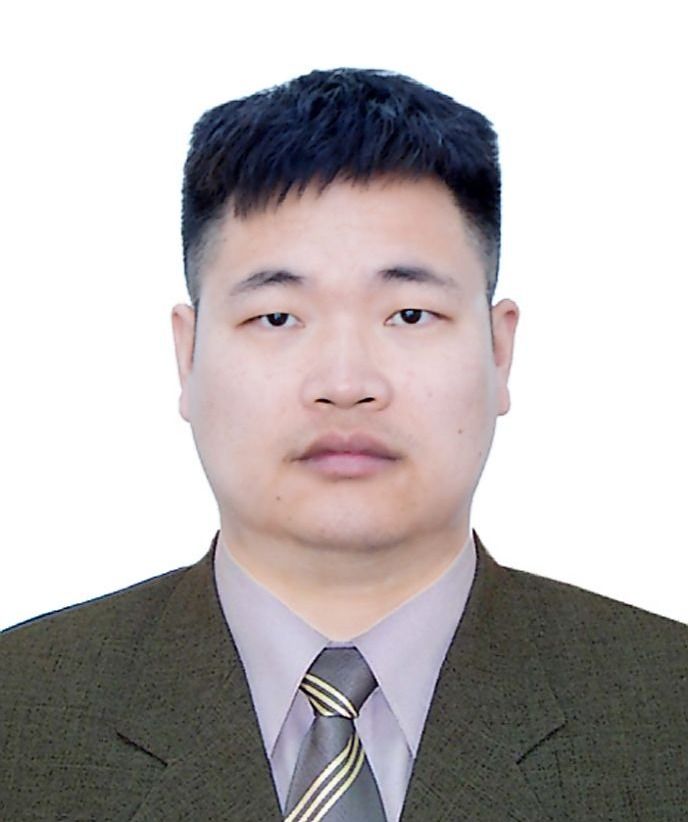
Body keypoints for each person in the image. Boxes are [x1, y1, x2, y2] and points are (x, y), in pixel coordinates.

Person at [1, 67, 686, 822]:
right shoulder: (22, 714)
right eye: (278, 317)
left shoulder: (665, 711)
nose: (346, 383)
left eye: (410, 315)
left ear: (499, 352)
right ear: (187, 357)